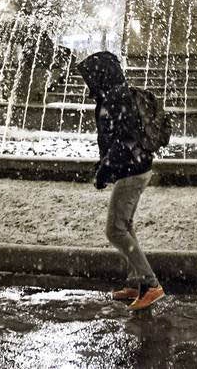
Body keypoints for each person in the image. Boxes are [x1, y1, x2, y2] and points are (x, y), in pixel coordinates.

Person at [75, 51, 165, 311]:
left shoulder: (115, 98)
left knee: (115, 231)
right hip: (137, 167)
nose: (88, 83)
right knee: (126, 225)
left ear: (100, 74)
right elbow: (116, 140)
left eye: (90, 76)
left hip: (131, 172)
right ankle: (136, 282)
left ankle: (151, 285)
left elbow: (122, 142)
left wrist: (103, 172)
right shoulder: (119, 94)